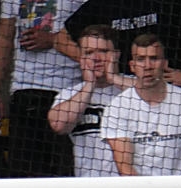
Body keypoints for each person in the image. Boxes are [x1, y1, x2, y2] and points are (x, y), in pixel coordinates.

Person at [100, 34, 181, 176]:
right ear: (132, 66)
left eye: (154, 58)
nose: (147, 66)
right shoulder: (117, 108)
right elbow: (125, 168)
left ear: (164, 64)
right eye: (140, 59)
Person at [55, 0, 181, 92]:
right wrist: (99, 65)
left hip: (170, 89)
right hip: (121, 92)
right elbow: (60, 39)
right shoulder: (100, 5)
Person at [0, 0, 81, 177]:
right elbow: (4, 37)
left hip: (66, 92)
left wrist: (53, 40)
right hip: (23, 91)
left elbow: (90, 33)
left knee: (63, 174)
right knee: (24, 176)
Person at [47, 23, 124, 177]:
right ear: (81, 58)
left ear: (116, 54)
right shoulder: (70, 94)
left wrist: (114, 79)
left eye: (103, 51)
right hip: (88, 185)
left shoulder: (134, 87)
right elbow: (58, 125)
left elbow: (156, 98)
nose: (96, 58)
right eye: (89, 53)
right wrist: (89, 86)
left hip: (132, 185)